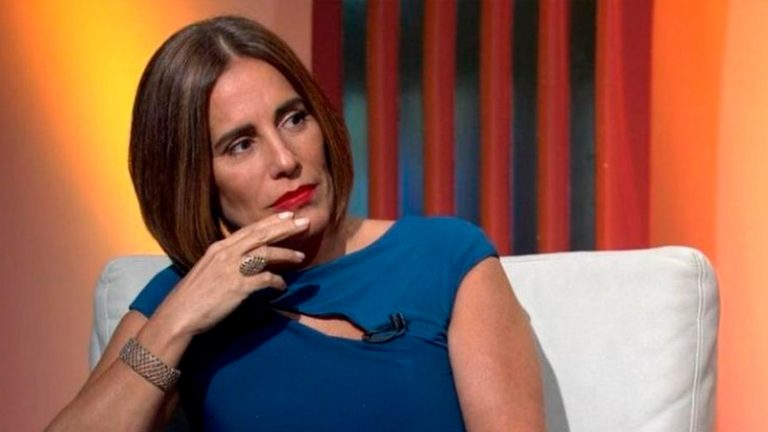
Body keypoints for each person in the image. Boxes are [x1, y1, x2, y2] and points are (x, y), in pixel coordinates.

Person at [47, 16, 544, 431]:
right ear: (193, 179)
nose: (286, 159)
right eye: (241, 144)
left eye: (294, 119)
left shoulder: (445, 258)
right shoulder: (184, 295)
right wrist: (177, 322)